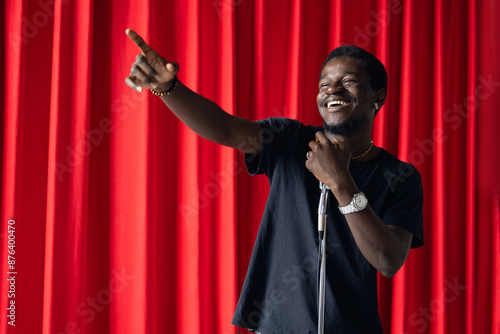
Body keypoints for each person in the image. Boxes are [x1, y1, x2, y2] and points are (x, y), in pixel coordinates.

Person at [125, 28, 424, 334]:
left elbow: (388, 260)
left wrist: (341, 182)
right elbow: (225, 129)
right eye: (325, 84)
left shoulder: (400, 177)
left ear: (379, 96)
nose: (332, 90)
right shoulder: (289, 140)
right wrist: (170, 87)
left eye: (348, 81)